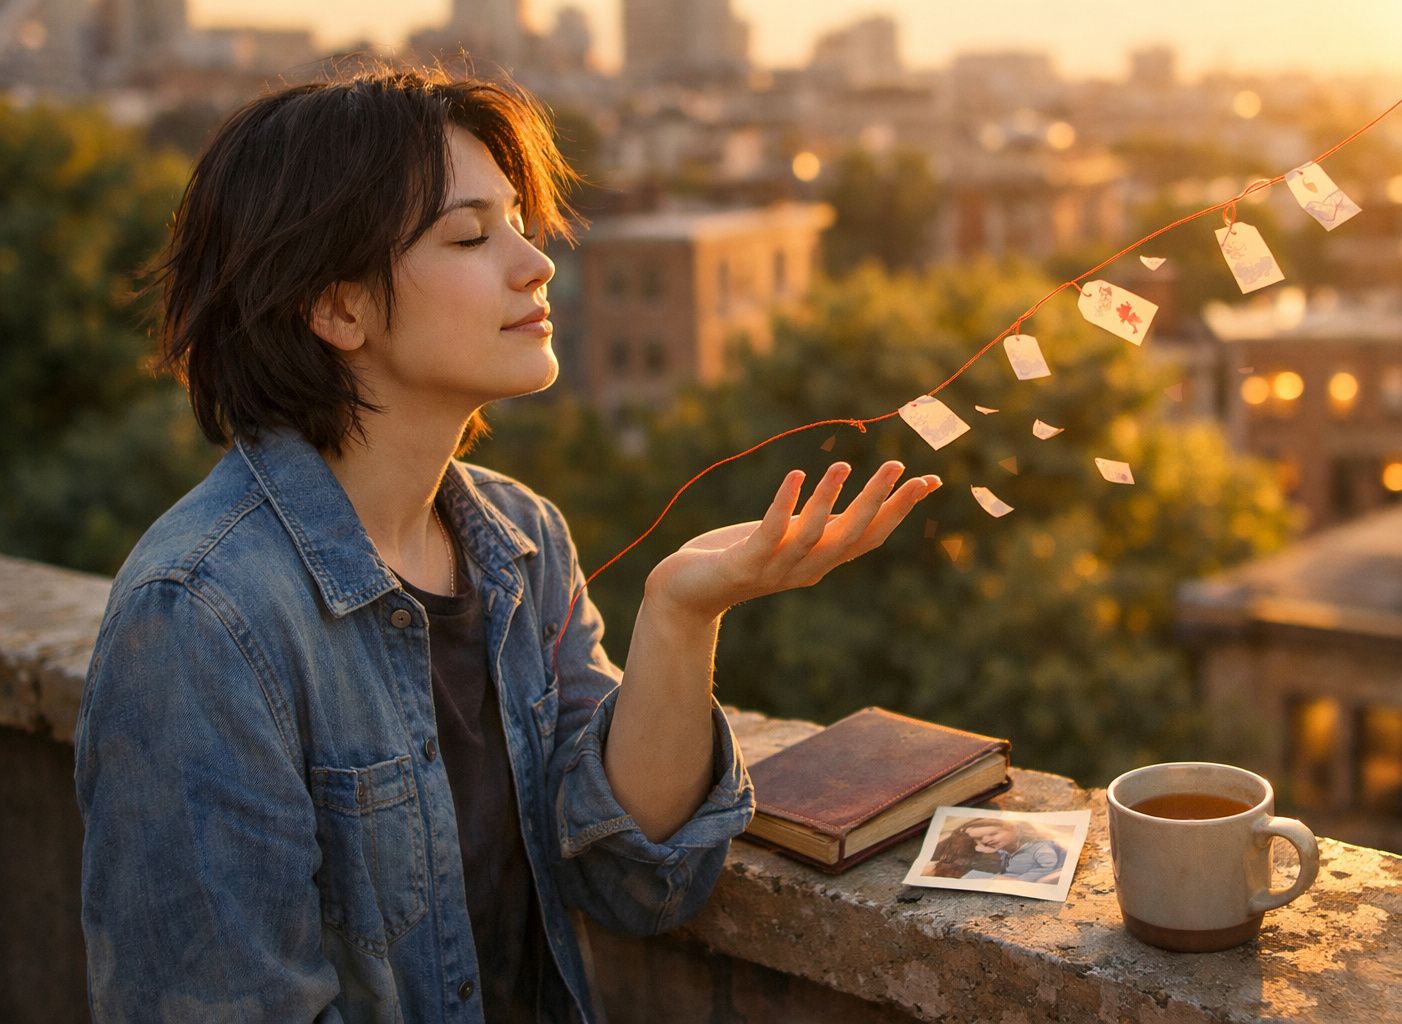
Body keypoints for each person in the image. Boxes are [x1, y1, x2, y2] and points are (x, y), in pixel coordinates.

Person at [73, 65, 941, 1023]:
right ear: (339, 308)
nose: (537, 264)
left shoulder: (520, 539)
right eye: (470, 236)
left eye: (520, 223)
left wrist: (681, 613)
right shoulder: (202, 618)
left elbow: (631, 878)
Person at [953, 818, 1067, 884]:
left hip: (1018, 881)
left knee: (974, 876)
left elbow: (1049, 866)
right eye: (979, 838)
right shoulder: (1005, 851)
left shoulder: (1039, 848)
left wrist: (1019, 880)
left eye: (993, 834)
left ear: (1014, 830)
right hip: (1006, 879)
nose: (986, 840)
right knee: (972, 875)